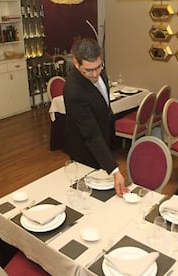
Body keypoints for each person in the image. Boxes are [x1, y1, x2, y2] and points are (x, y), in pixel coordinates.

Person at [63, 37, 128, 196]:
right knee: (88, 194)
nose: (95, 74)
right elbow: (91, 136)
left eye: (98, 67)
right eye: (89, 70)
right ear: (77, 64)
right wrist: (114, 170)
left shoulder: (98, 69)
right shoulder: (74, 91)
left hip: (101, 140)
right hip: (84, 149)